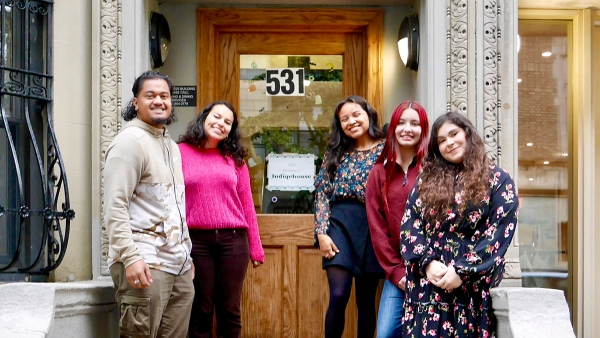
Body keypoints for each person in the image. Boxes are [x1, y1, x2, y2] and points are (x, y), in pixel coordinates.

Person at [400, 112, 518, 338]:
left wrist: (462, 271)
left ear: (467, 133)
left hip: (469, 288)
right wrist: (427, 263)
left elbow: (499, 232)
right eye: (441, 141)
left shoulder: (498, 179)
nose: (449, 143)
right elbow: (410, 224)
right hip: (428, 285)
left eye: (453, 134)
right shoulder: (426, 180)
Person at [104, 70, 194, 338]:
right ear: (136, 103)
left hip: (177, 265)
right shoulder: (130, 143)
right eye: (150, 95)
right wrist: (130, 257)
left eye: (164, 95)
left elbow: (175, 206)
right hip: (144, 263)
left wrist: (186, 255)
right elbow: (114, 206)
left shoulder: (170, 146)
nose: (158, 101)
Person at [178, 100, 265, 338]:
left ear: (231, 130)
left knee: (230, 310)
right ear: (204, 117)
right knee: (201, 310)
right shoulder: (180, 152)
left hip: (233, 241)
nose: (221, 124)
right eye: (216, 117)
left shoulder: (235, 159)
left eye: (228, 122)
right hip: (196, 242)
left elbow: (248, 206)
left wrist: (256, 248)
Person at [314, 95, 385, 338]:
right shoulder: (336, 152)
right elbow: (322, 193)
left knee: (366, 301)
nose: (351, 121)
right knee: (338, 294)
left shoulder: (387, 150)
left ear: (368, 115)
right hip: (340, 225)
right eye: (344, 118)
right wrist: (321, 232)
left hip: (373, 226)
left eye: (356, 114)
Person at [365, 101, 429, 338]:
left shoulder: (433, 170)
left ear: (423, 130)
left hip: (431, 270)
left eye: (414, 123)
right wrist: (395, 272)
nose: (407, 129)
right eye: (401, 123)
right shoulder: (379, 173)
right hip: (398, 272)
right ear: (392, 128)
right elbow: (377, 229)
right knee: (385, 333)